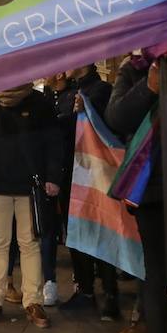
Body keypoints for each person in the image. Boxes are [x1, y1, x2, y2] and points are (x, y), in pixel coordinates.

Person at [105, 51, 167, 333]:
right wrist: (148, 86)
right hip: (155, 186)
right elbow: (118, 116)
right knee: (158, 280)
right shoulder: (136, 69)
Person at [0, 84, 62, 329]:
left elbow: (53, 141)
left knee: (28, 243)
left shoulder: (39, 104)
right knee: (1, 243)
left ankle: (32, 300)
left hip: (29, 186)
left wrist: (52, 176)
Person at [52, 65, 116, 316]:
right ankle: (85, 289)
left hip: (95, 173)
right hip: (72, 172)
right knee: (77, 233)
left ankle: (110, 293)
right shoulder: (70, 93)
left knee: (101, 230)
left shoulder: (99, 90)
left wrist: (85, 110)